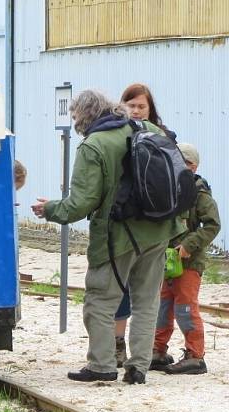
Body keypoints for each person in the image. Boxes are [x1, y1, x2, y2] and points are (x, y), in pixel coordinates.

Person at [31, 89, 183, 385]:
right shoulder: (146, 128)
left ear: (85, 116)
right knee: (147, 300)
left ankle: (101, 365)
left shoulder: (94, 145)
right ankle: (138, 367)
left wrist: (48, 209)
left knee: (100, 300)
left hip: (119, 235)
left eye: (76, 117)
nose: (75, 123)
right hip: (159, 229)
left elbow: (82, 202)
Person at [113, 83, 176, 366]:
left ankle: (136, 358)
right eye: (131, 105)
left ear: (150, 109)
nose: (136, 111)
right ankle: (124, 351)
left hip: (137, 227)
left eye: (141, 106)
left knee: (135, 295)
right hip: (142, 227)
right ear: (122, 105)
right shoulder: (163, 137)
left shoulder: (160, 137)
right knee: (131, 295)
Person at [151, 143, 220, 375]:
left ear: (194, 166)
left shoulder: (200, 193)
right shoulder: (169, 189)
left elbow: (213, 225)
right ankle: (157, 351)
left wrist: (188, 245)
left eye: (185, 163)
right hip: (167, 260)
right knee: (163, 307)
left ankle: (195, 356)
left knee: (185, 308)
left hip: (188, 262)